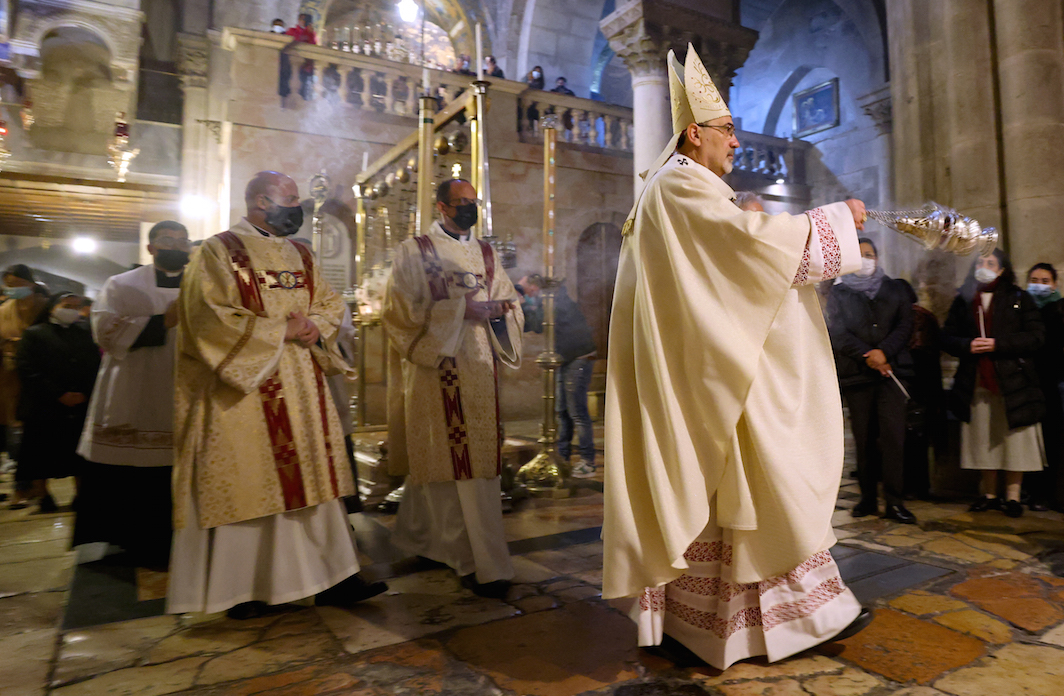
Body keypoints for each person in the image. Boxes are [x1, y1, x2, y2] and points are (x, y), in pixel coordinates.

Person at [603, 44, 872, 671]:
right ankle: (804, 618)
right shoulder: (679, 186)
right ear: (694, 133)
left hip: (711, 367)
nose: (735, 143)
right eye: (727, 131)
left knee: (733, 502)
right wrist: (833, 223)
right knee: (764, 486)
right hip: (723, 376)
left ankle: (701, 623)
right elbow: (746, 252)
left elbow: (729, 271)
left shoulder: (672, 189)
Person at [169, 171, 386, 618]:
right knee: (252, 485)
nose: (298, 207)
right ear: (261, 202)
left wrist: (313, 325)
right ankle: (247, 590)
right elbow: (206, 316)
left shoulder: (301, 254)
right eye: (291, 199)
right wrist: (279, 328)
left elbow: (329, 303)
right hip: (245, 391)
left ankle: (333, 579)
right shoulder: (218, 250)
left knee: (315, 484)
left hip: (302, 387)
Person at [382, 178, 523, 599]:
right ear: (441, 206)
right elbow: (400, 312)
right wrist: (463, 309)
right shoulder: (415, 251)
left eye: (473, 202)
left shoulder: (486, 252)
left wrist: (501, 312)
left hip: (480, 369)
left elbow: (507, 299)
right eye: (461, 203)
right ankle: (467, 558)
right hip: (437, 369)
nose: (469, 209)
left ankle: (431, 542)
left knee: (475, 465)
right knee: (444, 464)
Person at [72, 221, 190, 567]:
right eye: (167, 240)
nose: (176, 246)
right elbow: (104, 332)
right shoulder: (120, 284)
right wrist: (162, 320)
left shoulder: (205, 285)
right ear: (151, 248)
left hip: (187, 384)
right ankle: (132, 538)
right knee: (137, 464)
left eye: (182, 242)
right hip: (136, 384)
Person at [942, 250, 1046, 518]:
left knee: (1014, 438)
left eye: (990, 263)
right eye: (980, 262)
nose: (984, 266)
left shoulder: (1019, 297)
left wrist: (999, 344)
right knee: (983, 436)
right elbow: (948, 337)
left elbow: (1036, 337)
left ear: (1001, 270)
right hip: (976, 379)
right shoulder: (963, 300)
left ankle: (1012, 495)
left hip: (1012, 380)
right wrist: (967, 345)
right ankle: (988, 494)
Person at [827, 238, 917, 523]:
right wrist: (868, 354)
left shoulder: (896, 289)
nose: (865, 259)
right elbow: (838, 332)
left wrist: (884, 352)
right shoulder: (839, 294)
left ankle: (894, 501)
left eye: (869, 254)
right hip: (858, 374)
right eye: (859, 255)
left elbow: (905, 325)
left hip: (892, 372)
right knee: (864, 439)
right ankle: (867, 498)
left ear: (878, 258)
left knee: (893, 438)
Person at [15, 294, 100, 513]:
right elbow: (26, 368)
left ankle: (81, 496)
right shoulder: (34, 334)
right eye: (66, 306)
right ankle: (43, 496)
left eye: (75, 306)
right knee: (40, 454)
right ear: (53, 307)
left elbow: (96, 366)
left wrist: (84, 393)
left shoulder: (84, 334)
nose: (72, 309)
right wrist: (58, 394)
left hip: (80, 402)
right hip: (44, 404)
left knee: (78, 455)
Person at [517, 276, 598, 478]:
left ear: (535, 288)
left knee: (577, 412)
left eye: (527, 290)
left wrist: (521, 305)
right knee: (562, 411)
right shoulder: (550, 299)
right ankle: (562, 457)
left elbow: (537, 324)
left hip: (577, 358)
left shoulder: (554, 301)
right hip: (565, 358)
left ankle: (588, 462)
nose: (528, 295)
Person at [1, 265, 47, 506]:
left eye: (18, 283)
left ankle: (39, 487)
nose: (14, 289)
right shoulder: (4, 310)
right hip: (11, 380)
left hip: (43, 378)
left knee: (39, 436)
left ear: (30, 282)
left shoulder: (45, 307)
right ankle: (24, 487)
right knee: (17, 435)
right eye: (10, 284)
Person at [1025, 263, 1063, 510]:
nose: (1039, 284)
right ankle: (1033, 490)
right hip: (1028, 382)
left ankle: (1052, 493)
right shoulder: (1022, 309)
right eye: (1034, 279)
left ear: (1054, 284)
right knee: (1030, 439)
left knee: (1053, 439)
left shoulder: (1059, 308)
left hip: (1053, 381)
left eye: (1045, 280)